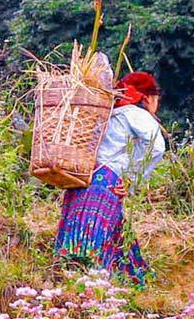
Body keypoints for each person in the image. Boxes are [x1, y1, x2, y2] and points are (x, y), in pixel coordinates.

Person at [55, 69, 164, 282]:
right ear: (148, 97)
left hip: (84, 179)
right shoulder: (135, 113)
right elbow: (157, 147)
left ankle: (82, 285)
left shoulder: (104, 112)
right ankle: (101, 288)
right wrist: (132, 177)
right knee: (98, 242)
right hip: (107, 181)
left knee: (89, 236)